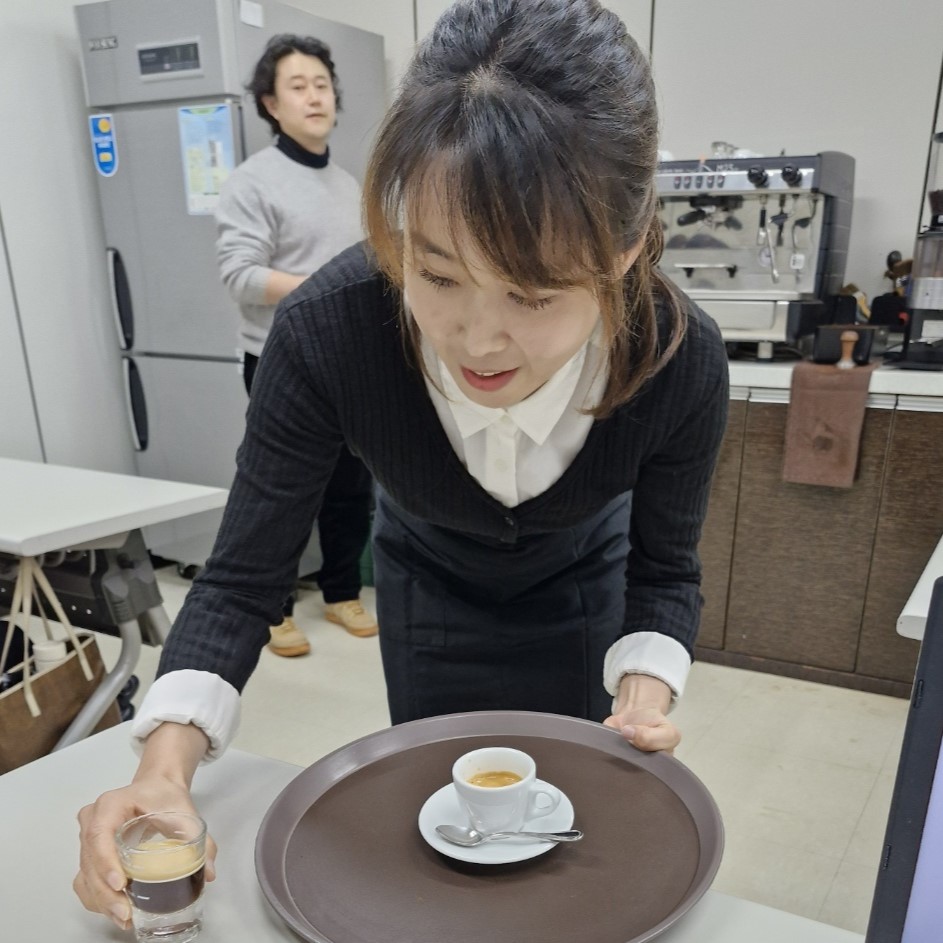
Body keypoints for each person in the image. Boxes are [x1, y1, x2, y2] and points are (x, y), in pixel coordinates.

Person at [74, 0, 729, 928]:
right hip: (429, 585)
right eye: (437, 273)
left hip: (588, 585)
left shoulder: (678, 357)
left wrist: (644, 685)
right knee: (438, 838)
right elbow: (238, 583)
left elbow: (665, 571)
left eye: (533, 291)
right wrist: (160, 770)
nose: (477, 338)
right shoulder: (330, 334)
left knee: (570, 852)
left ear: (621, 252)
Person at [215, 33, 378, 655]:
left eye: (321, 84)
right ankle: (271, 608)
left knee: (348, 488)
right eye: (297, 86)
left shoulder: (350, 184)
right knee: (281, 489)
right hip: (278, 358)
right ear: (270, 105)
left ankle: (340, 593)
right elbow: (242, 276)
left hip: (349, 360)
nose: (315, 96)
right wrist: (327, 290)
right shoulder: (252, 182)